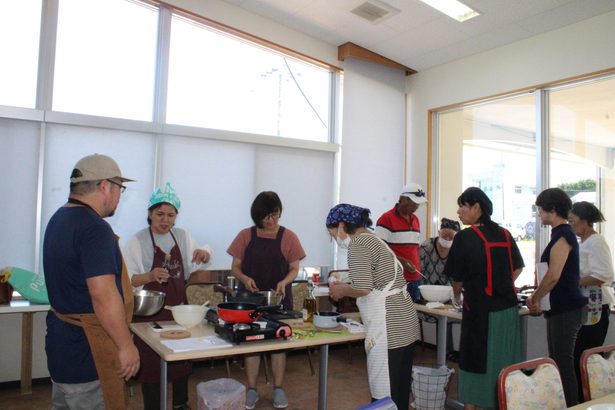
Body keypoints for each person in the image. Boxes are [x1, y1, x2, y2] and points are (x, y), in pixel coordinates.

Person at [43, 154, 140, 410]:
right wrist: (125, 345)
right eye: (120, 188)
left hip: (61, 345)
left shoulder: (59, 219)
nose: (120, 195)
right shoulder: (94, 228)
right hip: (88, 352)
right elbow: (102, 294)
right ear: (105, 186)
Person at [123, 182, 212, 410]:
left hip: (178, 312)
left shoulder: (181, 236)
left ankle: (181, 404)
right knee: (152, 363)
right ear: (150, 214)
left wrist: (203, 253)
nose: (165, 220)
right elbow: (127, 279)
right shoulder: (137, 241)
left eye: (170, 215)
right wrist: (150, 275)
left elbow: (198, 257)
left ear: (176, 217)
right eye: (160, 214)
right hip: (149, 314)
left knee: (181, 360)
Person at [327, 203, 419, 410]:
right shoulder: (374, 240)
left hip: (389, 325)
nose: (335, 240)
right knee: (400, 388)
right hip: (404, 321)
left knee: (384, 391)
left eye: (333, 234)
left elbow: (363, 287)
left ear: (341, 226)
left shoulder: (359, 244)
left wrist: (341, 290)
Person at [443, 187, 524, 410]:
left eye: (463, 206)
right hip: (507, 310)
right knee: (502, 361)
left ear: (477, 208)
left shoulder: (465, 237)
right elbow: (517, 269)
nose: (458, 211)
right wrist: (501, 283)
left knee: (476, 361)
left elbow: (457, 278)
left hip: (480, 312)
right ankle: (502, 402)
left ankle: (471, 406)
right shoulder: (505, 234)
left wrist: (458, 295)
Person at [227, 191, 305, 409]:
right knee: (252, 343)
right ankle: (251, 389)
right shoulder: (245, 235)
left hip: (278, 299)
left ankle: (278, 388)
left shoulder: (289, 236)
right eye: (267, 217)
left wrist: (284, 282)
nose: (272, 221)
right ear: (257, 216)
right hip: (249, 300)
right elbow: (235, 266)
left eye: (276, 215)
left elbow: (294, 268)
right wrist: (244, 278)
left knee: (279, 343)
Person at [526, 188, 588, 406]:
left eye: (540, 209)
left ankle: (572, 405)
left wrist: (535, 297)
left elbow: (554, 275)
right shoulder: (561, 233)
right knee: (559, 361)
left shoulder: (564, 234)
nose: (539, 213)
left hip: (567, 308)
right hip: (561, 307)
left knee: (562, 363)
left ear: (551, 209)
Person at [569, 201, 615, 400]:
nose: (571, 225)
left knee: (584, 355)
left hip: (596, 305)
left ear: (584, 220)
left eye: (573, 221)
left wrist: (575, 281)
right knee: (578, 354)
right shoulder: (583, 242)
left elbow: (605, 274)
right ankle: (581, 398)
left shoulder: (596, 241)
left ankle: (586, 398)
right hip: (585, 305)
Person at [375, 182, 427, 301]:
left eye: (418, 204)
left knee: (413, 317)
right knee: (397, 318)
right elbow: (378, 250)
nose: (416, 207)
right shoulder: (386, 219)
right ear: (402, 199)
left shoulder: (415, 220)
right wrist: (401, 261)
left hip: (415, 279)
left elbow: (414, 250)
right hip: (395, 281)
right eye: (413, 203)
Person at [419, 217, 460, 360]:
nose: (447, 238)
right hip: (426, 293)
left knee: (447, 315)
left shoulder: (457, 250)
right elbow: (418, 272)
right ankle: (446, 352)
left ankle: (447, 352)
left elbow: (458, 275)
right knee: (442, 316)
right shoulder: (426, 247)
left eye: (451, 236)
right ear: (438, 232)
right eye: (444, 235)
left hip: (447, 293)